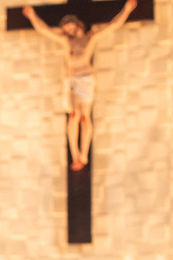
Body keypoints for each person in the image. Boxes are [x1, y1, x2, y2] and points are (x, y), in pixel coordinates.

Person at [23, 0, 137, 170]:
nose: (68, 30)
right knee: (73, 116)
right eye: (65, 28)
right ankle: (75, 155)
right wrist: (32, 16)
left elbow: (113, 26)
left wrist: (126, 10)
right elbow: (44, 30)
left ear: (77, 25)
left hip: (86, 79)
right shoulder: (65, 41)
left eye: (70, 26)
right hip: (71, 80)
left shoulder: (89, 38)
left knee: (84, 118)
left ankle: (83, 154)